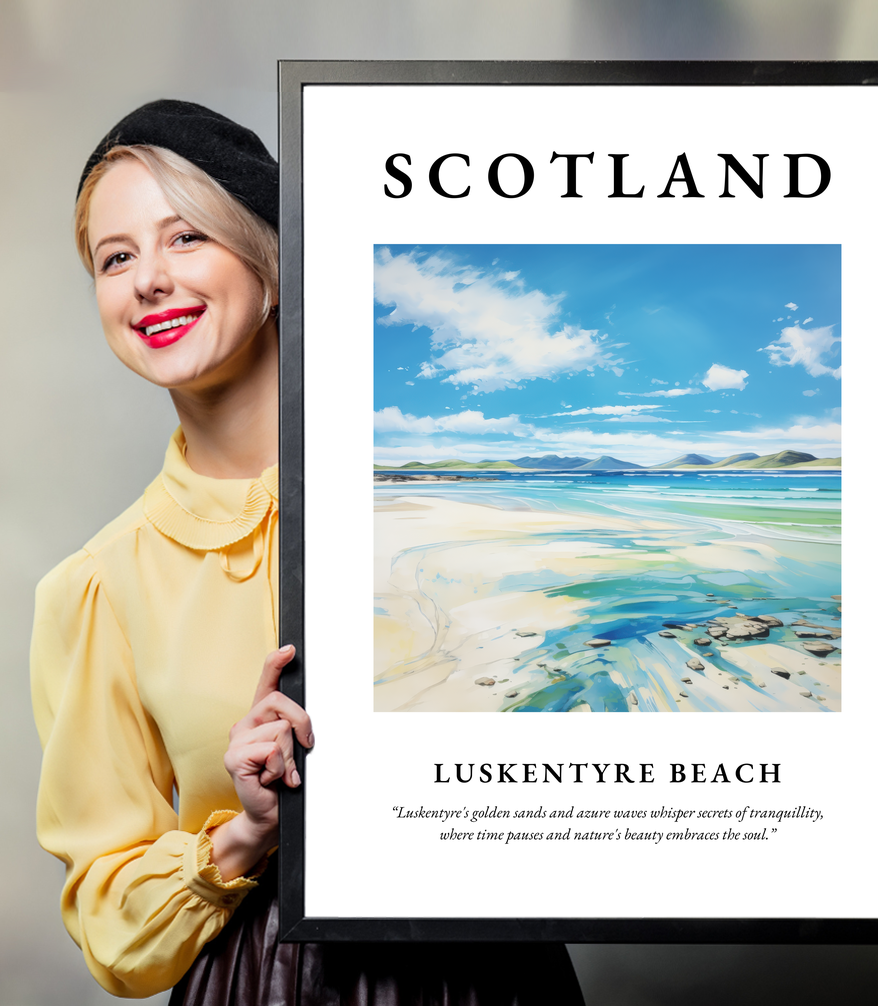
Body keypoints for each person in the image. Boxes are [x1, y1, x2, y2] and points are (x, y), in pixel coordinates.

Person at [30, 100, 585, 1004]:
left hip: (493, 973)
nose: (148, 281)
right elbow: (110, 924)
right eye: (116, 257)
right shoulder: (97, 587)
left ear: (274, 264)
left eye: (186, 239)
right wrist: (245, 832)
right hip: (262, 982)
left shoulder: (450, 503)